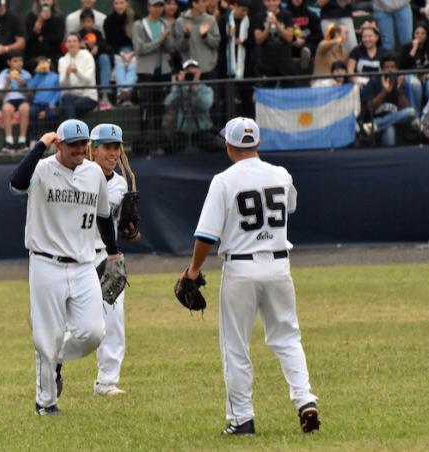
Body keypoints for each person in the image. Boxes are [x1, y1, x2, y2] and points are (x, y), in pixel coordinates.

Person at [178, 116, 320, 436]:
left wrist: (194, 270)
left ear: (229, 146)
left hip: (241, 267)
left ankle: (242, 419)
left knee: (236, 346)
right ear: (258, 143)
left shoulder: (224, 180)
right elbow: (291, 206)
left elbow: (206, 236)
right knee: (287, 338)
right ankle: (305, 399)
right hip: (279, 266)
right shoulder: (281, 175)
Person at [8, 119, 121, 416]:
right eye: (73, 144)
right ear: (59, 145)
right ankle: (46, 403)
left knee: (93, 332)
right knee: (47, 334)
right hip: (46, 263)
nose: (81, 149)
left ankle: (54, 359)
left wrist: (113, 253)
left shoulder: (94, 172)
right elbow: (16, 184)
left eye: (84, 143)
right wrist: (39, 146)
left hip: (84, 264)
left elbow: (104, 216)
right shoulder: (42, 169)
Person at [88, 123, 133, 397]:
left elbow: (118, 225)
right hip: (76, 258)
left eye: (117, 147)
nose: (113, 152)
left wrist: (130, 229)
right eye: (107, 147)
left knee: (114, 321)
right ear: (93, 149)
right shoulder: (78, 177)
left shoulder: (121, 183)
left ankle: (107, 382)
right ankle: (52, 369)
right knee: (74, 326)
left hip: (108, 255)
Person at [133, 0, 176, 153]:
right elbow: (140, 48)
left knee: (160, 108)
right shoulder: (139, 25)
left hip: (163, 72)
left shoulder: (165, 24)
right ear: (148, 7)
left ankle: (159, 142)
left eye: (160, 5)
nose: (157, 8)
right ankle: (144, 143)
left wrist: (167, 38)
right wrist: (161, 39)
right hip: (146, 72)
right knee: (146, 107)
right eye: (154, 5)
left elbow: (171, 47)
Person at [362, 54, 418, 146]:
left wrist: (400, 91)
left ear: (396, 69)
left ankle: (375, 125)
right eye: (386, 67)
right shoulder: (374, 81)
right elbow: (371, 107)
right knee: (389, 128)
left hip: (395, 118)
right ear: (381, 69)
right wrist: (384, 91)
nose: (390, 70)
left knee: (411, 112)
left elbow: (405, 108)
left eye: (392, 67)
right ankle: (378, 124)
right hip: (378, 117)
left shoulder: (400, 82)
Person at [164, 59, 215, 151]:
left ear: (199, 73)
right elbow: (168, 103)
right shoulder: (180, 89)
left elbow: (204, 106)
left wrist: (195, 90)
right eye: (188, 73)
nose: (191, 75)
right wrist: (179, 85)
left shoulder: (206, 89)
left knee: (215, 148)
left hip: (202, 131)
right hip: (183, 132)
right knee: (168, 148)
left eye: (193, 72)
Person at [399, 23, 429, 115]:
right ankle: (416, 116)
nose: (420, 36)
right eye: (417, 33)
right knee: (415, 84)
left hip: (428, 77)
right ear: (413, 34)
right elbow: (403, 66)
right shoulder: (407, 48)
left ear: (427, 35)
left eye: (423, 33)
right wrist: (414, 48)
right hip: (411, 76)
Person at [175, 0, 222, 80]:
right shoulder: (180, 22)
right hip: (190, 70)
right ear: (194, 3)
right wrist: (186, 35)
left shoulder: (210, 20)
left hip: (209, 69)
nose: (206, 4)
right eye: (203, 2)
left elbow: (216, 43)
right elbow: (180, 47)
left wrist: (205, 36)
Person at [254, 0, 299, 83]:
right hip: (266, 62)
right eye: (268, 1)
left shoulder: (287, 15)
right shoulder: (259, 16)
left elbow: (289, 38)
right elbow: (258, 40)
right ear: (264, 2)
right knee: (267, 91)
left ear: (279, 1)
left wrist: (276, 23)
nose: (271, 3)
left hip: (284, 61)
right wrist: (268, 27)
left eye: (274, 0)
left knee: (290, 90)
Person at [0, 52, 33, 153]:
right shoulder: (3, 74)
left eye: (20, 61)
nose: (18, 63)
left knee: (25, 108)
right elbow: (0, 96)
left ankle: (22, 142)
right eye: (15, 61)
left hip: (22, 99)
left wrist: (23, 84)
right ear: (9, 62)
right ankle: (9, 142)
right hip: (9, 99)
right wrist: (8, 82)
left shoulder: (27, 75)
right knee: (6, 109)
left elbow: (30, 96)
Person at [78, 8, 114, 106]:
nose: (87, 24)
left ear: (93, 22)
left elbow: (107, 47)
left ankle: (105, 94)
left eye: (89, 21)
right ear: (81, 23)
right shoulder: (79, 34)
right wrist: (81, 47)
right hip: (84, 62)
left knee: (104, 58)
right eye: (84, 22)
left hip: (97, 60)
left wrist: (97, 46)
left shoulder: (98, 33)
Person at [59, 33, 99, 120]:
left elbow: (88, 80)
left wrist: (77, 72)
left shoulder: (88, 57)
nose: (71, 44)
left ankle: (72, 129)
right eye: (69, 41)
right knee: (66, 100)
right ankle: (74, 128)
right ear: (65, 44)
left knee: (67, 106)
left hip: (89, 97)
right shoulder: (62, 60)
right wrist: (67, 74)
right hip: (71, 97)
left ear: (79, 43)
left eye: (74, 41)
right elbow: (62, 84)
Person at [104, 0, 137, 105]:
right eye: (116, 3)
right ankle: (124, 95)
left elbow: (139, 41)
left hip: (135, 52)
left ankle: (125, 93)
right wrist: (121, 53)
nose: (119, 6)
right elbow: (109, 43)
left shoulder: (136, 18)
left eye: (121, 3)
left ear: (127, 3)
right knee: (119, 67)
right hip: (117, 53)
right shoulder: (108, 21)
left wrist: (132, 53)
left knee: (132, 66)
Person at [27, 56, 60, 143]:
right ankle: (33, 139)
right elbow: (31, 87)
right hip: (37, 103)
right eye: (40, 63)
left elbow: (57, 92)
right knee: (32, 113)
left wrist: (51, 105)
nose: (43, 64)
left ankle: (53, 140)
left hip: (50, 103)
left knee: (52, 115)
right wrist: (37, 74)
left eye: (44, 62)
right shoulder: (37, 76)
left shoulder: (56, 76)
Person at [24, 0, 66, 68]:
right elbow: (29, 38)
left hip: (53, 53)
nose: (46, 1)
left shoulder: (59, 17)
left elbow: (59, 38)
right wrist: (40, 21)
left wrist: (42, 38)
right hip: (34, 53)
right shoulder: (30, 16)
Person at [286, 0, 322, 71]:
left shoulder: (311, 14)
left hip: (306, 44)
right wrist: (293, 40)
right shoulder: (284, 14)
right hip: (289, 45)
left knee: (309, 47)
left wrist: (305, 40)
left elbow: (318, 34)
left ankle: (305, 57)